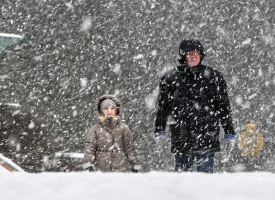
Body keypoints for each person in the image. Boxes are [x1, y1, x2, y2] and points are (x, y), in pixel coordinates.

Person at [154, 39, 235, 172]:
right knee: (182, 181)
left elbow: (224, 108)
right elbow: (163, 108)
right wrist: (159, 130)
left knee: (205, 182)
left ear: (201, 55)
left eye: (196, 53)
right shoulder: (170, 78)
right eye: (189, 53)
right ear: (183, 56)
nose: (193, 56)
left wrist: (229, 132)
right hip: (181, 136)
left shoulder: (214, 77)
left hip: (207, 136)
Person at [82, 94, 141, 172]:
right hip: (100, 172)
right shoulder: (95, 129)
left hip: (120, 171)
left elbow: (130, 148)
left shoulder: (123, 129)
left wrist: (135, 164)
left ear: (116, 110)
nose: (109, 111)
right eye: (106, 108)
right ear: (101, 111)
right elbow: (90, 148)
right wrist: (87, 164)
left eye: (112, 108)